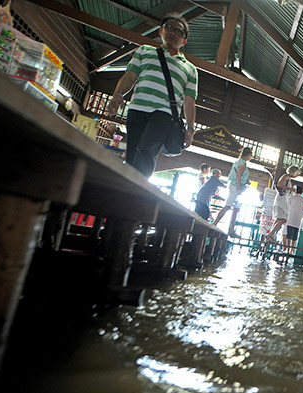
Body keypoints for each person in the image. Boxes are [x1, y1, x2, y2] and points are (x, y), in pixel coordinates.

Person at [108, 13, 198, 178]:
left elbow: (189, 101)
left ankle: (137, 190)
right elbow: (130, 76)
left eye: (178, 31)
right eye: (169, 27)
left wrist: (190, 130)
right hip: (137, 108)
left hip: (165, 113)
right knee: (133, 150)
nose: (172, 32)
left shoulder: (190, 69)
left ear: (184, 41)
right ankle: (125, 185)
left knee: (146, 149)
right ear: (160, 31)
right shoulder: (144, 50)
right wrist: (117, 94)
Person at [213, 147, 252, 235]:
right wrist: (239, 187)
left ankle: (231, 229)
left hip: (233, 185)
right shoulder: (243, 163)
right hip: (235, 186)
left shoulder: (238, 161)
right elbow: (239, 175)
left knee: (236, 207)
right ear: (248, 155)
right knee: (228, 205)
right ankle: (215, 223)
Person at [265, 165, 301, 242]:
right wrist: (290, 189)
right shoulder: (286, 176)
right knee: (283, 219)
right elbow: (279, 184)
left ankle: (272, 235)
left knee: (278, 219)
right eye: (297, 173)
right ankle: (270, 234)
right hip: (281, 200)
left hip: (282, 199)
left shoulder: (287, 178)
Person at [285, 185, 303, 255]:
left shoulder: (291, 198)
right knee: (295, 235)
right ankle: (292, 250)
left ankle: (287, 249)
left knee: (289, 234)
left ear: (295, 191)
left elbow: (287, 207)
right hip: (298, 219)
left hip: (290, 217)